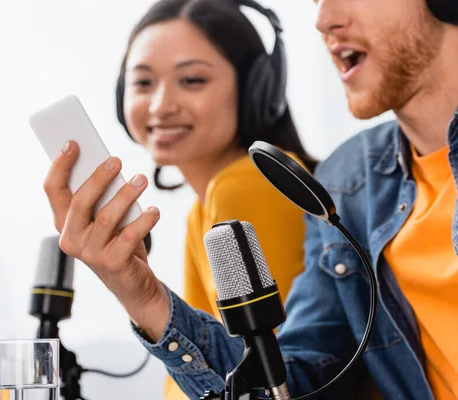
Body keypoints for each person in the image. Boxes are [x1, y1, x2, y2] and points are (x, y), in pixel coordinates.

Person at [44, 0, 458, 398]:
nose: (323, 19)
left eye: (192, 80)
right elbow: (283, 386)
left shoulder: (256, 186)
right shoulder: (345, 186)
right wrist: (142, 296)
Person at [45, 0, 316, 398]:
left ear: (256, 88)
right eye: (143, 82)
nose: (161, 105)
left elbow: (266, 386)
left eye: (191, 80)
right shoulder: (207, 204)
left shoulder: (247, 185)